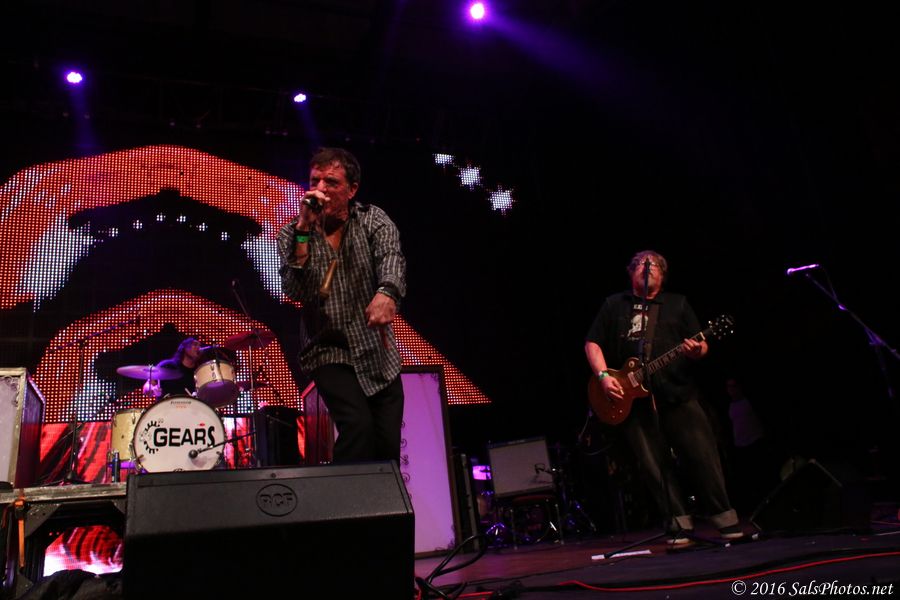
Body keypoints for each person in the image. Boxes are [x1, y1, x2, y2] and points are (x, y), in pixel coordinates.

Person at [583, 250, 742, 543]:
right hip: (634, 402)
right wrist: (604, 377)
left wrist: (698, 350)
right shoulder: (614, 304)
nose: (648, 267)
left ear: (663, 274)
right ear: (630, 271)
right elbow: (593, 343)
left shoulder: (677, 304)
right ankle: (679, 526)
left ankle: (726, 521)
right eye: (641, 264)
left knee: (702, 457)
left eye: (654, 264)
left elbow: (701, 344)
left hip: (678, 393)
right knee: (654, 466)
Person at [278, 147, 406, 464]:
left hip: (377, 351)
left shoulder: (372, 220)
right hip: (328, 350)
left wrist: (387, 292)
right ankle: (345, 496)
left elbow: (391, 258)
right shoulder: (292, 233)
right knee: (357, 427)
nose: (321, 189)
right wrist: (304, 228)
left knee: (387, 447)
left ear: (352, 189)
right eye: (315, 181)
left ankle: (384, 498)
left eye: (331, 182)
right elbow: (295, 290)